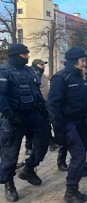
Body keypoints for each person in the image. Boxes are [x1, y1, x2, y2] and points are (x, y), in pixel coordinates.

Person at [47, 47, 87, 202]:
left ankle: (74, 184)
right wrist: (58, 129)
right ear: (75, 61)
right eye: (82, 60)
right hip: (68, 124)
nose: (85, 63)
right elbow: (52, 104)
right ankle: (70, 192)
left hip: (81, 122)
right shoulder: (61, 78)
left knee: (84, 149)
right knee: (79, 155)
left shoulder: (81, 77)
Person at [0, 44, 49, 202]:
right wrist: (9, 114)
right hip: (14, 117)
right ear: (15, 55)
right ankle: (9, 183)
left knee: (43, 141)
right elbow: (1, 95)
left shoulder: (29, 70)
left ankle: (28, 169)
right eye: (24, 54)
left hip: (33, 114)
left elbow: (36, 91)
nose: (28, 56)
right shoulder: (4, 71)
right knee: (11, 152)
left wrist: (43, 111)